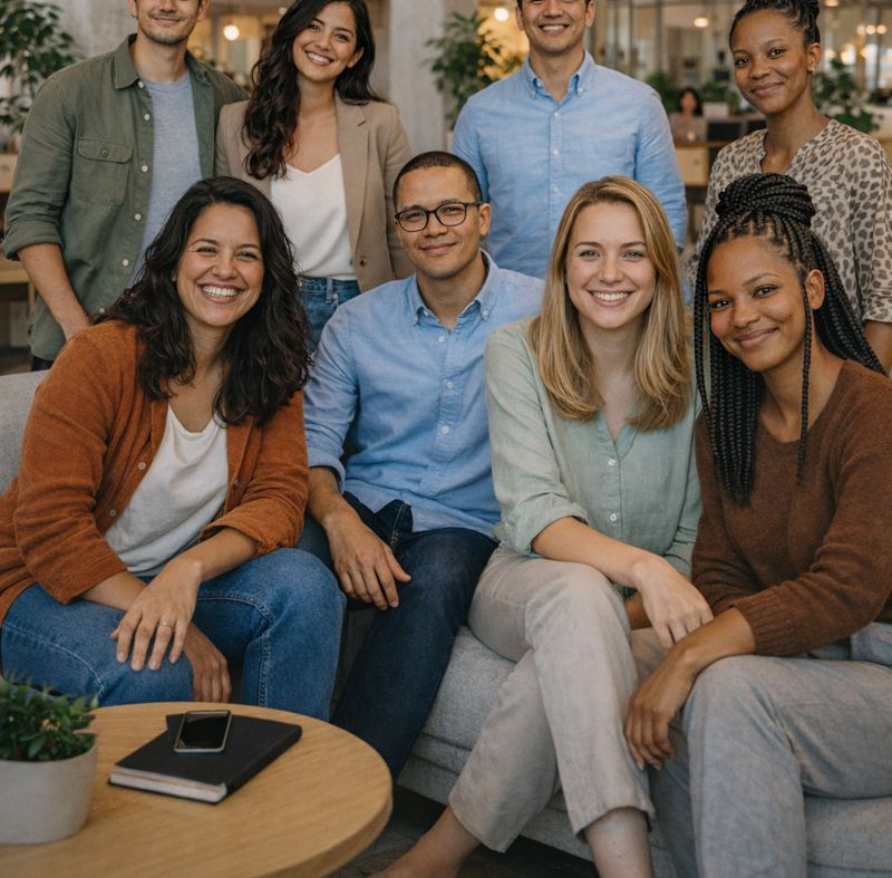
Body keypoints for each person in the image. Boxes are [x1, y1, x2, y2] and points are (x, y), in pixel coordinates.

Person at [379, 177, 707, 878]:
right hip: (522, 584)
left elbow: (688, 545)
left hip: (645, 610)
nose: (610, 274)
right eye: (589, 253)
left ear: (660, 266)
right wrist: (641, 568)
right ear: (563, 267)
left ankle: (433, 858)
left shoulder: (697, 370)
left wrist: (641, 590)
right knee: (579, 599)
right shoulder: (515, 351)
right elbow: (533, 512)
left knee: (577, 637)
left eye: (632, 254)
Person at [626, 173, 892, 878]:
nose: (742, 315)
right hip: (805, 662)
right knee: (639, 660)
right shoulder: (726, 429)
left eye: (763, 290)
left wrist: (692, 656)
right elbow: (718, 576)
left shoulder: (873, 410)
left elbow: (849, 587)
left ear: (811, 289)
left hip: (880, 669)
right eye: (719, 302)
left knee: (720, 682)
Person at [0, 177, 344, 717]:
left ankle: (279, 784)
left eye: (246, 255)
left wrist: (186, 572)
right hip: (43, 587)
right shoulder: (100, 357)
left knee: (306, 588)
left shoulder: (269, 368)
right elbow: (49, 527)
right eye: (206, 249)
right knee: (157, 667)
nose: (225, 270)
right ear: (172, 263)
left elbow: (279, 499)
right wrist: (174, 625)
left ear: (267, 275)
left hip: (173, 579)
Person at [298, 150, 543, 777]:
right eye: (415, 215)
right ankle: (255, 761)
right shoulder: (357, 323)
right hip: (365, 504)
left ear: (483, 217)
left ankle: (343, 788)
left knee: (430, 580)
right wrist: (338, 520)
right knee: (286, 566)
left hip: (466, 526)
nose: (434, 227)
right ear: (399, 230)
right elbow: (315, 443)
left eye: (451, 210)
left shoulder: (544, 314)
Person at [3, 0, 246, 369]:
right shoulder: (70, 93)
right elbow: (29, 217)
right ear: (133, 1)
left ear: (202, 7)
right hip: (83, 334)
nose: (167, 4)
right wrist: (78, 333)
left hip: (187, 338)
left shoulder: (225, 99)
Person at [686, 0, 892, 370]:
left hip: (840, 378)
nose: (759, 70)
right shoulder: (731, 161)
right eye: (743, 60)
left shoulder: (857, 156)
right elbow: (705, 275)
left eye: (775, 52)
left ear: (812, 57)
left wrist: (862, 405)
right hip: (746, 380)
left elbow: (884, 299)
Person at [451, 0, 686, 278]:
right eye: (537, 0)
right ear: (519, 15)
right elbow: (462, 219)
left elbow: (667, 216)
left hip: (611, 301)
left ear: (589, 12)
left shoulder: (638, 104)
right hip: (513, 308)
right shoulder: (479, 113)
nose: (552, 11)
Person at [215, 0, 412, 346]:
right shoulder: (236, 122)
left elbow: (401, 229)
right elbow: (221, 226)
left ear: (354, 55)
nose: (323, 44)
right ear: (292, 32)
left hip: (361, 305)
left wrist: (410, 311)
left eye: (341, 36)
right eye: (314, 27)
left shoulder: (381, 123)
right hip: (267, 306)